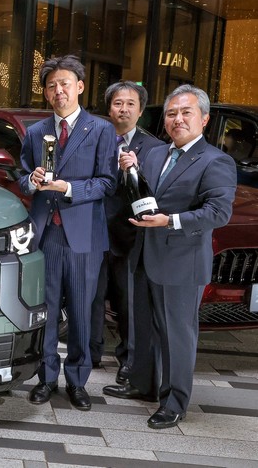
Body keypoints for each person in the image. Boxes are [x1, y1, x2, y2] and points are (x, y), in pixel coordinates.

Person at [114, 84, 236, 429]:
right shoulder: (155, 154)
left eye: (186, 112)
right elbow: (146, 196)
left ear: (204, 119)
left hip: (182, 261)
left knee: (176, 335)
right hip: (145, 253)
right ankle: (143, 384)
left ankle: (174, 402)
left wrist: (170, 221)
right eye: (171, 113)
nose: (177, 119)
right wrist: (130, 171)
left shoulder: (216, 161)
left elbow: (218, 213)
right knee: (143, 326)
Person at [19, 55, 117, 411]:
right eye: (51, 85)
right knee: (44, 311)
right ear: (46, 93)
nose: (58, 90)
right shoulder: (35, 132)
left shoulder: (101, 130)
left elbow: (108, 182)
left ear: (80, 87)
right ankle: (46, 378)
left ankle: (77, 380)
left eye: (65, 83)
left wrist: (69, 188)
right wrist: (30, 181)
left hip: (83, 236)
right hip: (45, 235)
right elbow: (21, 175)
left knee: (80, 311)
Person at [89, 81, 163, 383]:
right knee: (91, 297)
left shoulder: (154, 148)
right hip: (94, 233)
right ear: (109, 108)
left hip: (130, 237)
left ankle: (129, 361)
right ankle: (90, 354)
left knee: (128, 302)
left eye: (131, 104)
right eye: (118, 103)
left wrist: (136, 169)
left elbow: (155, 192)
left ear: (141, 110)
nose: (124, 109)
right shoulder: (96, 139)